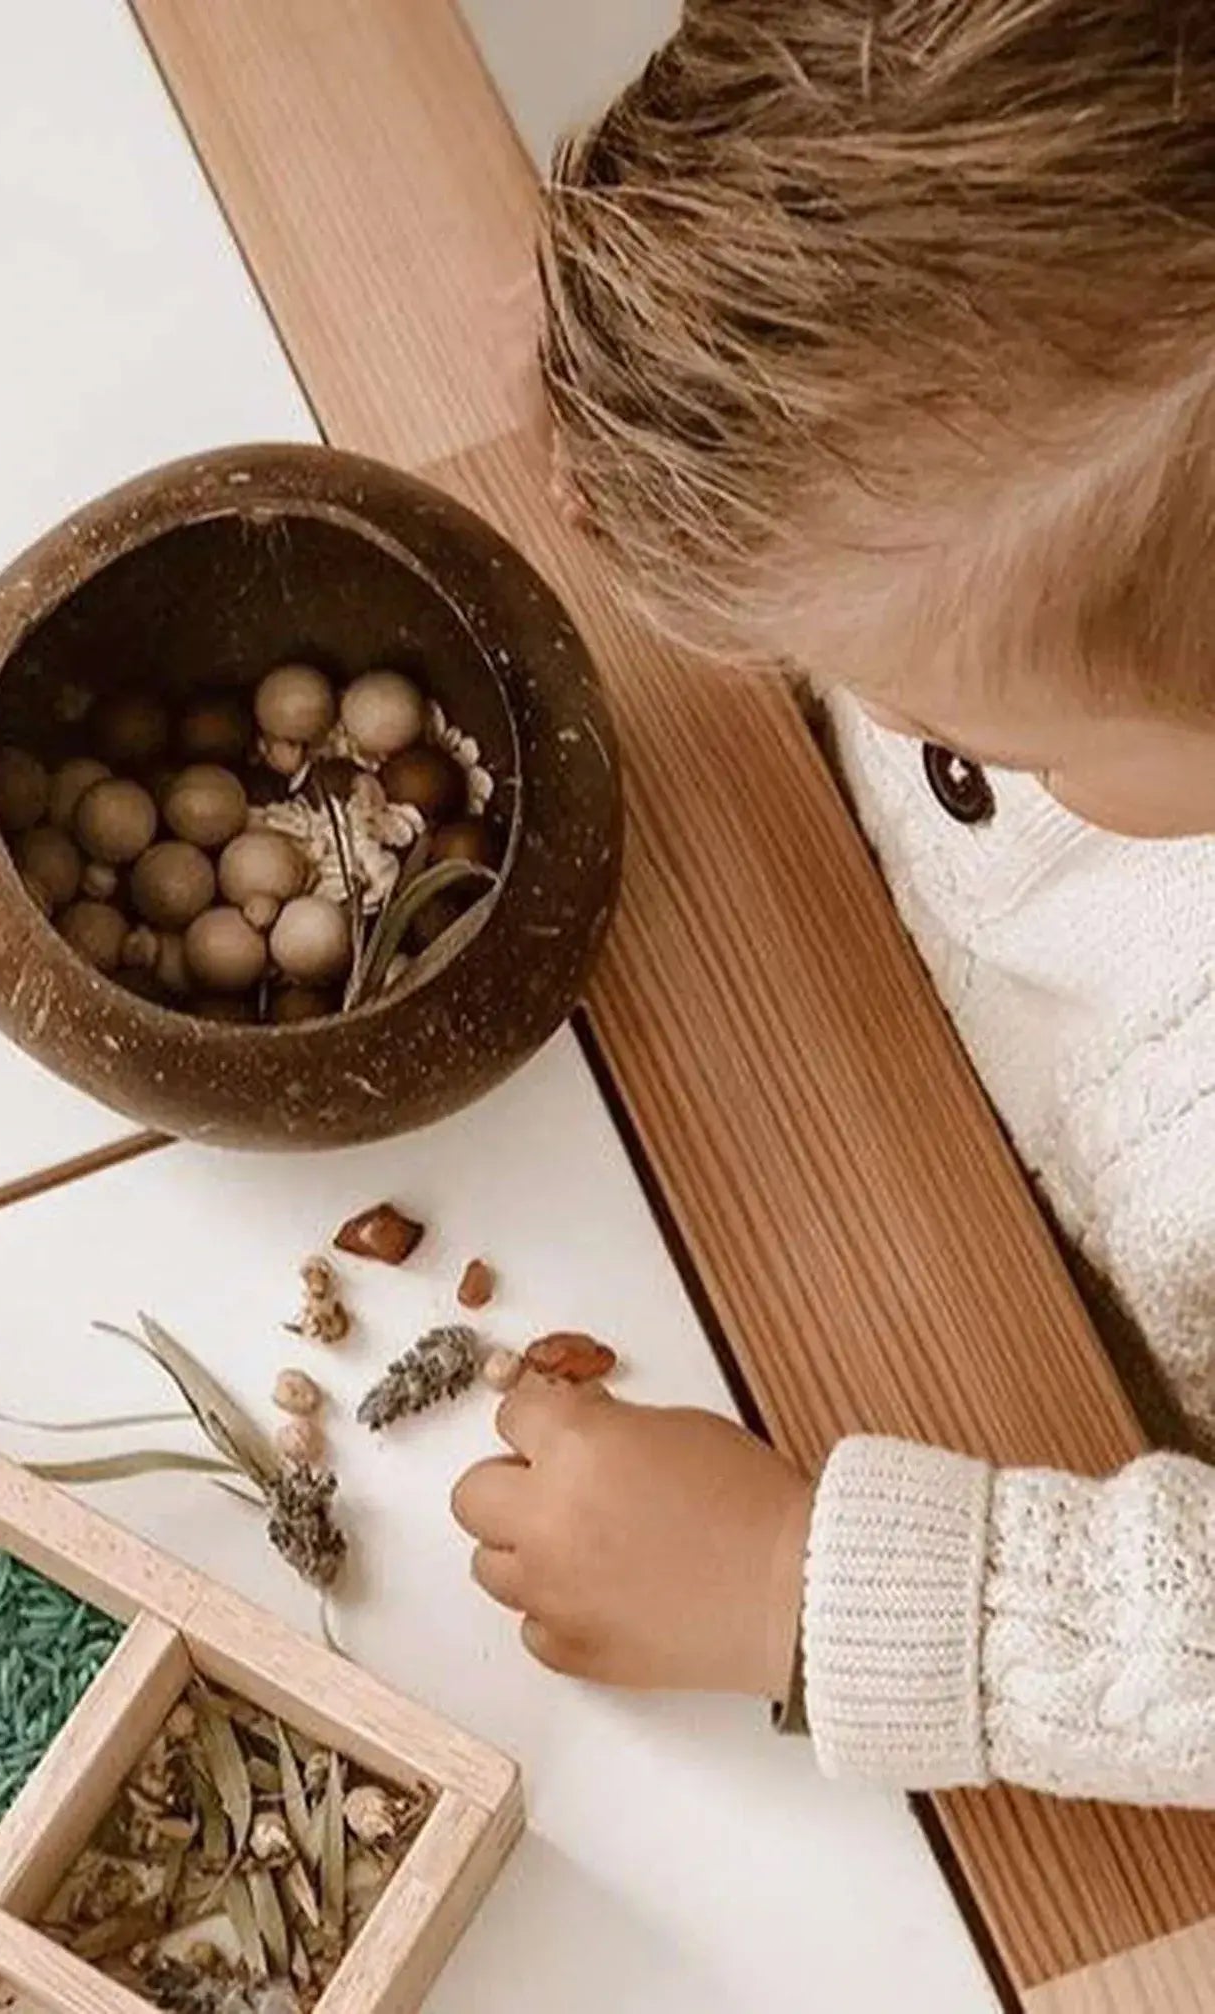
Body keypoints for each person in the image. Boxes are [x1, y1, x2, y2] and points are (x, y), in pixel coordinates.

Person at [453, 0, 1215, 1803]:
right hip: (852, 1051)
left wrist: (801, 1589)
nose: (883, 718)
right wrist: (695, 493)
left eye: (953, 725)